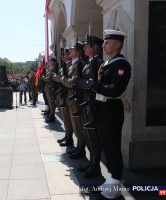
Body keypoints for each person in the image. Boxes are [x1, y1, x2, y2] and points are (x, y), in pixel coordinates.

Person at [93, 30, 131, 199]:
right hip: (102, 108)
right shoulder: (107, 64)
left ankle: (115, 182)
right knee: (106, 145)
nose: (104, 45)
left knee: (112, 146)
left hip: (112, 110)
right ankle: (110, 177)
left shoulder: (121, 65)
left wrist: (94, 87)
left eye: (107, 42)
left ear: (118, 44)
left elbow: (115, 90)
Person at [76, 35, 104, 179]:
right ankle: (92, 162)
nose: (84, 48)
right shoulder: (88, 63)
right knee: (87, 134)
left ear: (95, 47)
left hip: (93, 104)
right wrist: (84, 83)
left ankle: (96, 166)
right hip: (86, 103)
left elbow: (95, 84)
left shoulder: (99, 63)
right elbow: (81, 82)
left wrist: (84, 83)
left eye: (87, 45)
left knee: (93, 136)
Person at [41, 58, 57, 122]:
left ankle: (52, 116)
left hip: (50, 88)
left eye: (49, 62)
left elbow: (48, 79)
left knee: (52, 103)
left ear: (52, 62)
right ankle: (50, 114)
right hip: (48, 88)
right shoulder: (50, 69)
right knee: (50, 102)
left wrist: (43, 77)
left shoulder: (53, 69)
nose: (48, 63)